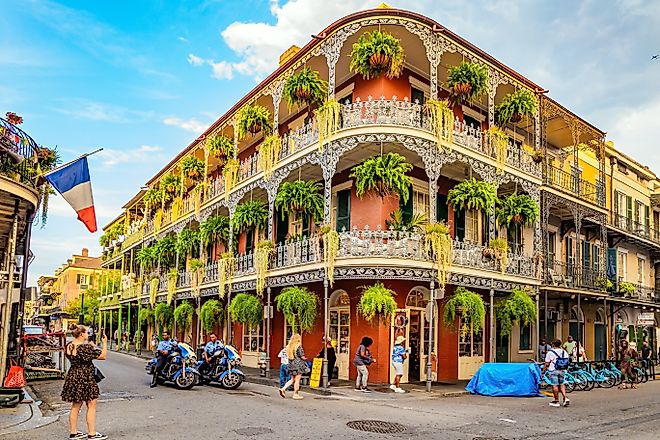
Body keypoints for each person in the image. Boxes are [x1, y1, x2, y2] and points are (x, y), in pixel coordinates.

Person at [61, 323, 108, 440]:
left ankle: (73, 432)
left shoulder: (69, 346)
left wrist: (90, 346)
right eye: (86, 332)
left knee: (75, 405)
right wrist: (104, 343)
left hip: (73, 375)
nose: (88, 334)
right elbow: (103, 356)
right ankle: (92, 433)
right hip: (86, 376)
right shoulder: (85, 348)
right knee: (91, 404)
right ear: (81, 334)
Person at [279, 334, 308, 400]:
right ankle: (296, 394)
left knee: (292, 379)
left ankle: (283, 388)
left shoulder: (288, 347)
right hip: (298, 365)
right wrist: (304, 358)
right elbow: (301, 355)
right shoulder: (298, 346)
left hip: (291, 365)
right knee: (297, 380)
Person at [542, 338, 570, 408]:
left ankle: (556, 400)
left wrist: (543, 372)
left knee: (555, 385)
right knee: (562, 384)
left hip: (553, 370)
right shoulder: (564, 352)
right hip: (562, 370)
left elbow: (547, 364)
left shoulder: (550, 352)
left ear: (553, 344)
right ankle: (565, 398)